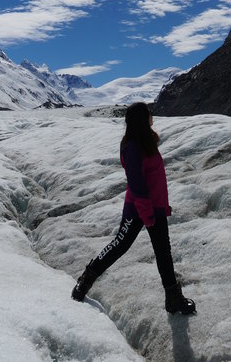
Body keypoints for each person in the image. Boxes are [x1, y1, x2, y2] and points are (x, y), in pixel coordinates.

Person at [71, 101, 196, 315]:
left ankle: (173, 298)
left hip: (154, 208)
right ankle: (86, 280)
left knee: (163, 252)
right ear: (141, 119)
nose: (152, 116)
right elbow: (137, 184)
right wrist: (147, 215)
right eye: (149, 113)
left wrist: (159, 208)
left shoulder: (145, 141)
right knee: (120, 245)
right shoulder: (132, 147)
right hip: (139, 208)